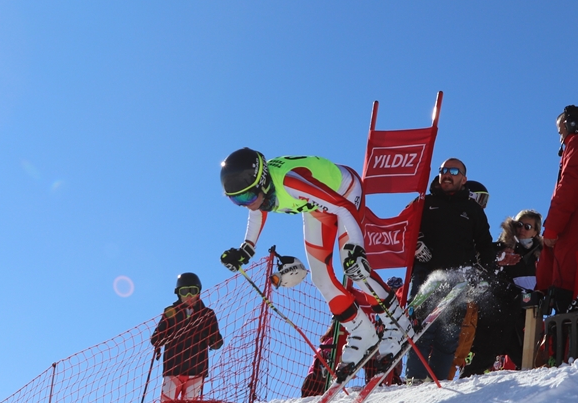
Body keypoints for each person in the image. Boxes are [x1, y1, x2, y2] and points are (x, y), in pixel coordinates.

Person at [219, 149, 408, 379]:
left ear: (263, 182)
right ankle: (362, 331)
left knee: (354, 266)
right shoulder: (261, 195)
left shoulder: (290, 183)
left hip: (344, 193)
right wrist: (246, 248)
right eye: (237, 200)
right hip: (316, 206)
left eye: (248, 197)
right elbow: (257, 212)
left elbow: (343, 207)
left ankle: (397, 323)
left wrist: (357, 247)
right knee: (320, 278)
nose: (246, 205)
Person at [404, 158, 495, 381]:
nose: (447, 174)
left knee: (449, 335)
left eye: (453, 171)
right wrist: (418, 244)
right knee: (422, 331)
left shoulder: (472, 209)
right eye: (443, 170)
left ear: (463, 179)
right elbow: (405, 227)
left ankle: (438, 382)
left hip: (459, 281)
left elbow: (485, 244)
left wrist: (483, 273)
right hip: (427, 275)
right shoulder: (425, 202)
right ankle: (415, 379)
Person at [464, 210, 544, 376]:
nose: (522, 229)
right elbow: (482, 267)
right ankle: (466, 381)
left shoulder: (542, 255)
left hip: (527, 311)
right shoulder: (500, 248)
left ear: (536, 231)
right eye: (518, 224)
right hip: (500, 310)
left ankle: (531, 384)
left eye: (528, 226)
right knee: (490, 349)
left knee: (525, 354)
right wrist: (497, 261)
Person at [535, 105, 578, 310]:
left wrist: (552, 228)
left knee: (567, 306)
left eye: (561, 129)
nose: (560, 135)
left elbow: (569, 186)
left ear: (572, 124)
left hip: (574, 235)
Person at [150, 272, 224, 401]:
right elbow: (156, 337)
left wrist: (212, 339)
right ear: (179, 294)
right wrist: (159, 339)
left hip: (196, 369)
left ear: (198, 293)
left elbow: (216, 342)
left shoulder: (207, 314)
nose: (189, 296)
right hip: (174, 368)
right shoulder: (171, 312)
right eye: (184, 292)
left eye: (192, 291)